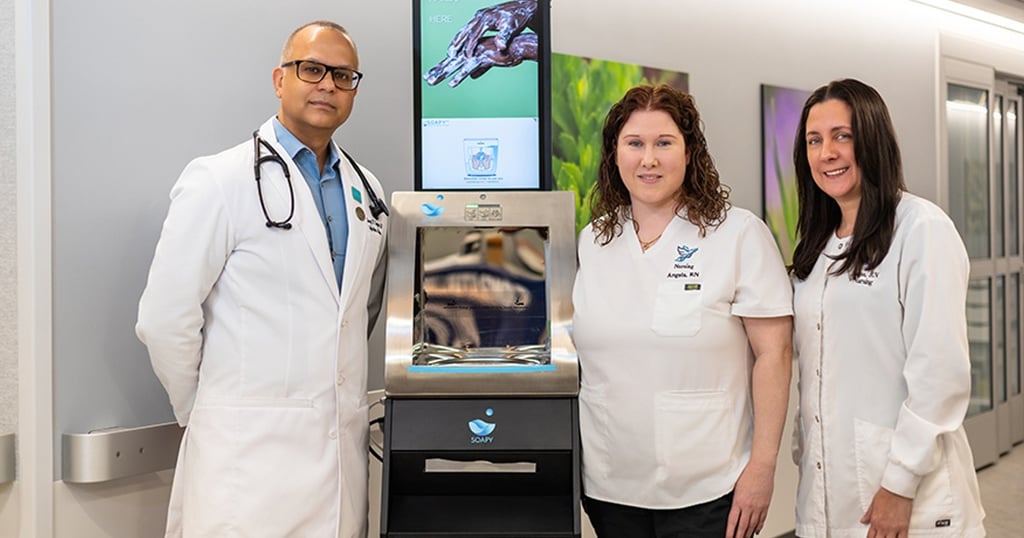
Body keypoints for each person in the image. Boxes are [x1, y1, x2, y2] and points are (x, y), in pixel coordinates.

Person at [136, 21, 387, 538]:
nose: (327, 86)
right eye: (312, 69)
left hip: (339, 464)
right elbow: (164, 319)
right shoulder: (219, 180)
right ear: (280, 79)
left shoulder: (368, 191)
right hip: (244, 468)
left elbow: (356, 316)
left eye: (343, 76)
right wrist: (208, 410)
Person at [572, 84, 794, 538]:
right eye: (634, 144)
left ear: (689, 152)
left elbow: (775, 354)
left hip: (709, 490)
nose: (648, 159)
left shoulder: (737, 234)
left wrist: (763, 466)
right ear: (615, 155)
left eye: (664, 143)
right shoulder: (594, 239)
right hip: (610, 484)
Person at [789, 78, 985, 538]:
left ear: (873, 140)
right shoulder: (817, 248)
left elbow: (939, 375)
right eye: (814, 140)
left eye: (843, 136)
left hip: (908, 492)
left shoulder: (921, 229)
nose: (826, 153)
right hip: (828, 488)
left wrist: (899, 484)